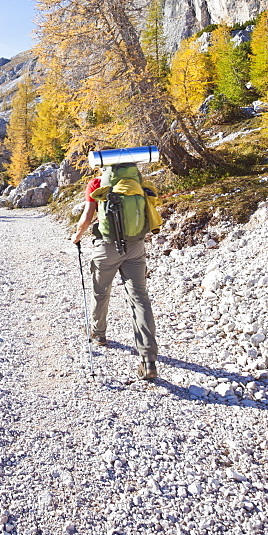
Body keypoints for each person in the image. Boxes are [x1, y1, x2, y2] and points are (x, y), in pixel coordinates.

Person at [71, 162, 159, 380]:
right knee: (139, 299)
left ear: (102, 165)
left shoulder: (96, 184)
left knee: (101, 291)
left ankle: (98, 334)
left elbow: (87, 217)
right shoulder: (136, 182)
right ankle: (148, 360)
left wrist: (77, 236)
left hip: (106, 247)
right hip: (136, 247)